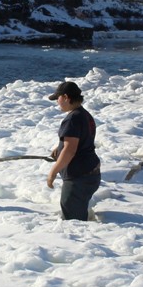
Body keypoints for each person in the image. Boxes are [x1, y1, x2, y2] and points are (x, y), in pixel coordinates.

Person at [46, 81, 101, 221]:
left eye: (58, 98)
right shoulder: (84, 115)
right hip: (90, 173)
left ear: (66, 97)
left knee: (74, 223)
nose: (57, 102)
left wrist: (53, 172)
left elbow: (70, 150)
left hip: (78, 178)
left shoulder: (72, 119)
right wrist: (59, 148)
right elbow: (80, 140)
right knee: (77, 213)